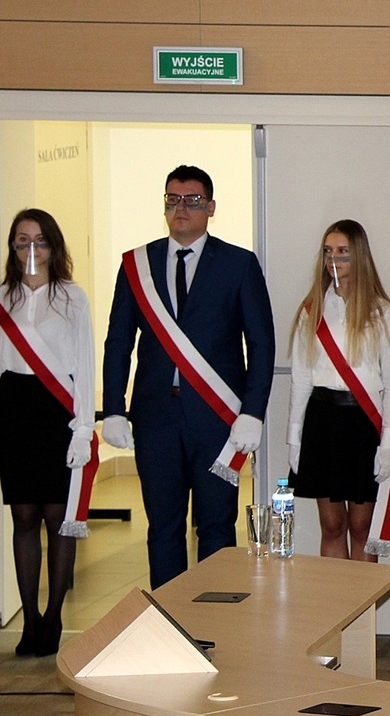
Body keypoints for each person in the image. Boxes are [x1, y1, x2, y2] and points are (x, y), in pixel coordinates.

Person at [101, 165, 275, 588]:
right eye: (173, 200)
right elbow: (118, 343)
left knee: (216, 527)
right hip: (156, 418)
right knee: (163, 527)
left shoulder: (238, 264)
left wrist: (252, 412)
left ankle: (213, 618)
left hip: (217, 421)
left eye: (192, 201)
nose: (181, 209)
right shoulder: (137, 265)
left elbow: (261, 343)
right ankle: (168, 618)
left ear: (211, 208)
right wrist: (114, 409)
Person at [0, 210, 97, 656]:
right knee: (23, 518)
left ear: (53, 246)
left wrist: (84, 426)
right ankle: (29, 618)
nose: (32, 248)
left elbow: (85, 363)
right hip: (14, 408)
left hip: (57, 410)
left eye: (40, 240)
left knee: (57, 517)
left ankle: (55, 615)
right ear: (12, 246)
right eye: (22, 240)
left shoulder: (72, 298)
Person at [286, 220, 390, 561]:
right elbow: (301, 378)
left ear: (359, 256)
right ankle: (335, 596)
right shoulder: (312, 311)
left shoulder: (383, 314)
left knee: (362, 526)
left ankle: (362, 598)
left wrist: (388, 445)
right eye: (328, 252)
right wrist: (294, 439)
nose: (333, 260)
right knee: (332, 525)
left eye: (342, 252)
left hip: (363, 423)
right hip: (322, 421)